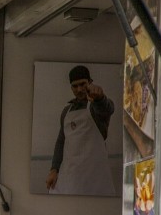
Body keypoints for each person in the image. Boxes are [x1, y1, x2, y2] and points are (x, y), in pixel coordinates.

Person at [46, 65, 116, 195]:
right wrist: (54, 169)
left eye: (83, 84)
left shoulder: (96, 107)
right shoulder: (66, 112)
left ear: (90, 82)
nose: (79, 89)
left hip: (95, 179)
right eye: (75, 86)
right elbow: (61, 141)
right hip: (70, 178)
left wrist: (100, 98)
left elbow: (108, 109)